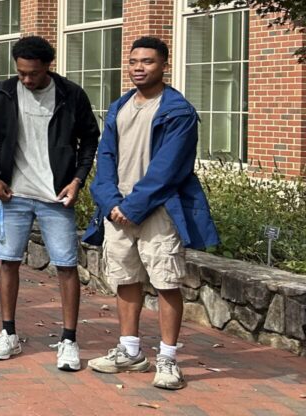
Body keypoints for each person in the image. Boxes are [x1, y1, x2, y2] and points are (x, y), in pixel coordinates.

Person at [84, 37, 219, 390]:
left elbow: (169, 168)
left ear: (164, 66)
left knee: (165, 281)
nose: (138, 67)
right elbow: (107, 158)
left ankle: (168, 358)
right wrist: (110, 201)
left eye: (147, 61)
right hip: (118, 211)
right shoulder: (119, 107)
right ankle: (130, 352)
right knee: (125, 278)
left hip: (159, 210)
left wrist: (132, 206)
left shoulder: (178, 111)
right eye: (133, 62)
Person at [0, 36, 100, 371]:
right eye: (21, 73)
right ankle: (8, 334)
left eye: (32, 74)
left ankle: (68, 340)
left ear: (48, 66)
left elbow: (89, 138)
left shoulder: (71, 94)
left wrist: (78, 180)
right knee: (8, 262)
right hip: (14, 194)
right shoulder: (5, 92)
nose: (26, 80)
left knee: (65, 265)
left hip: (56, 196)